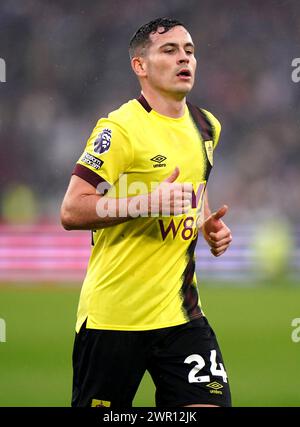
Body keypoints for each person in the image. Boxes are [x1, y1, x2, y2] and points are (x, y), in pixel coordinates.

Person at [61, 17, 232, 408]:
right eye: (169, 50)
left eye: (189, 50)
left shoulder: (207, 126)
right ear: (140, 66)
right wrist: (145, 204)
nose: (183, 58)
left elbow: (193, 185)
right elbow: (71, 209)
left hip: (182, 316)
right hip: (115, 318)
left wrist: (206, 224)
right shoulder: (119, 128)